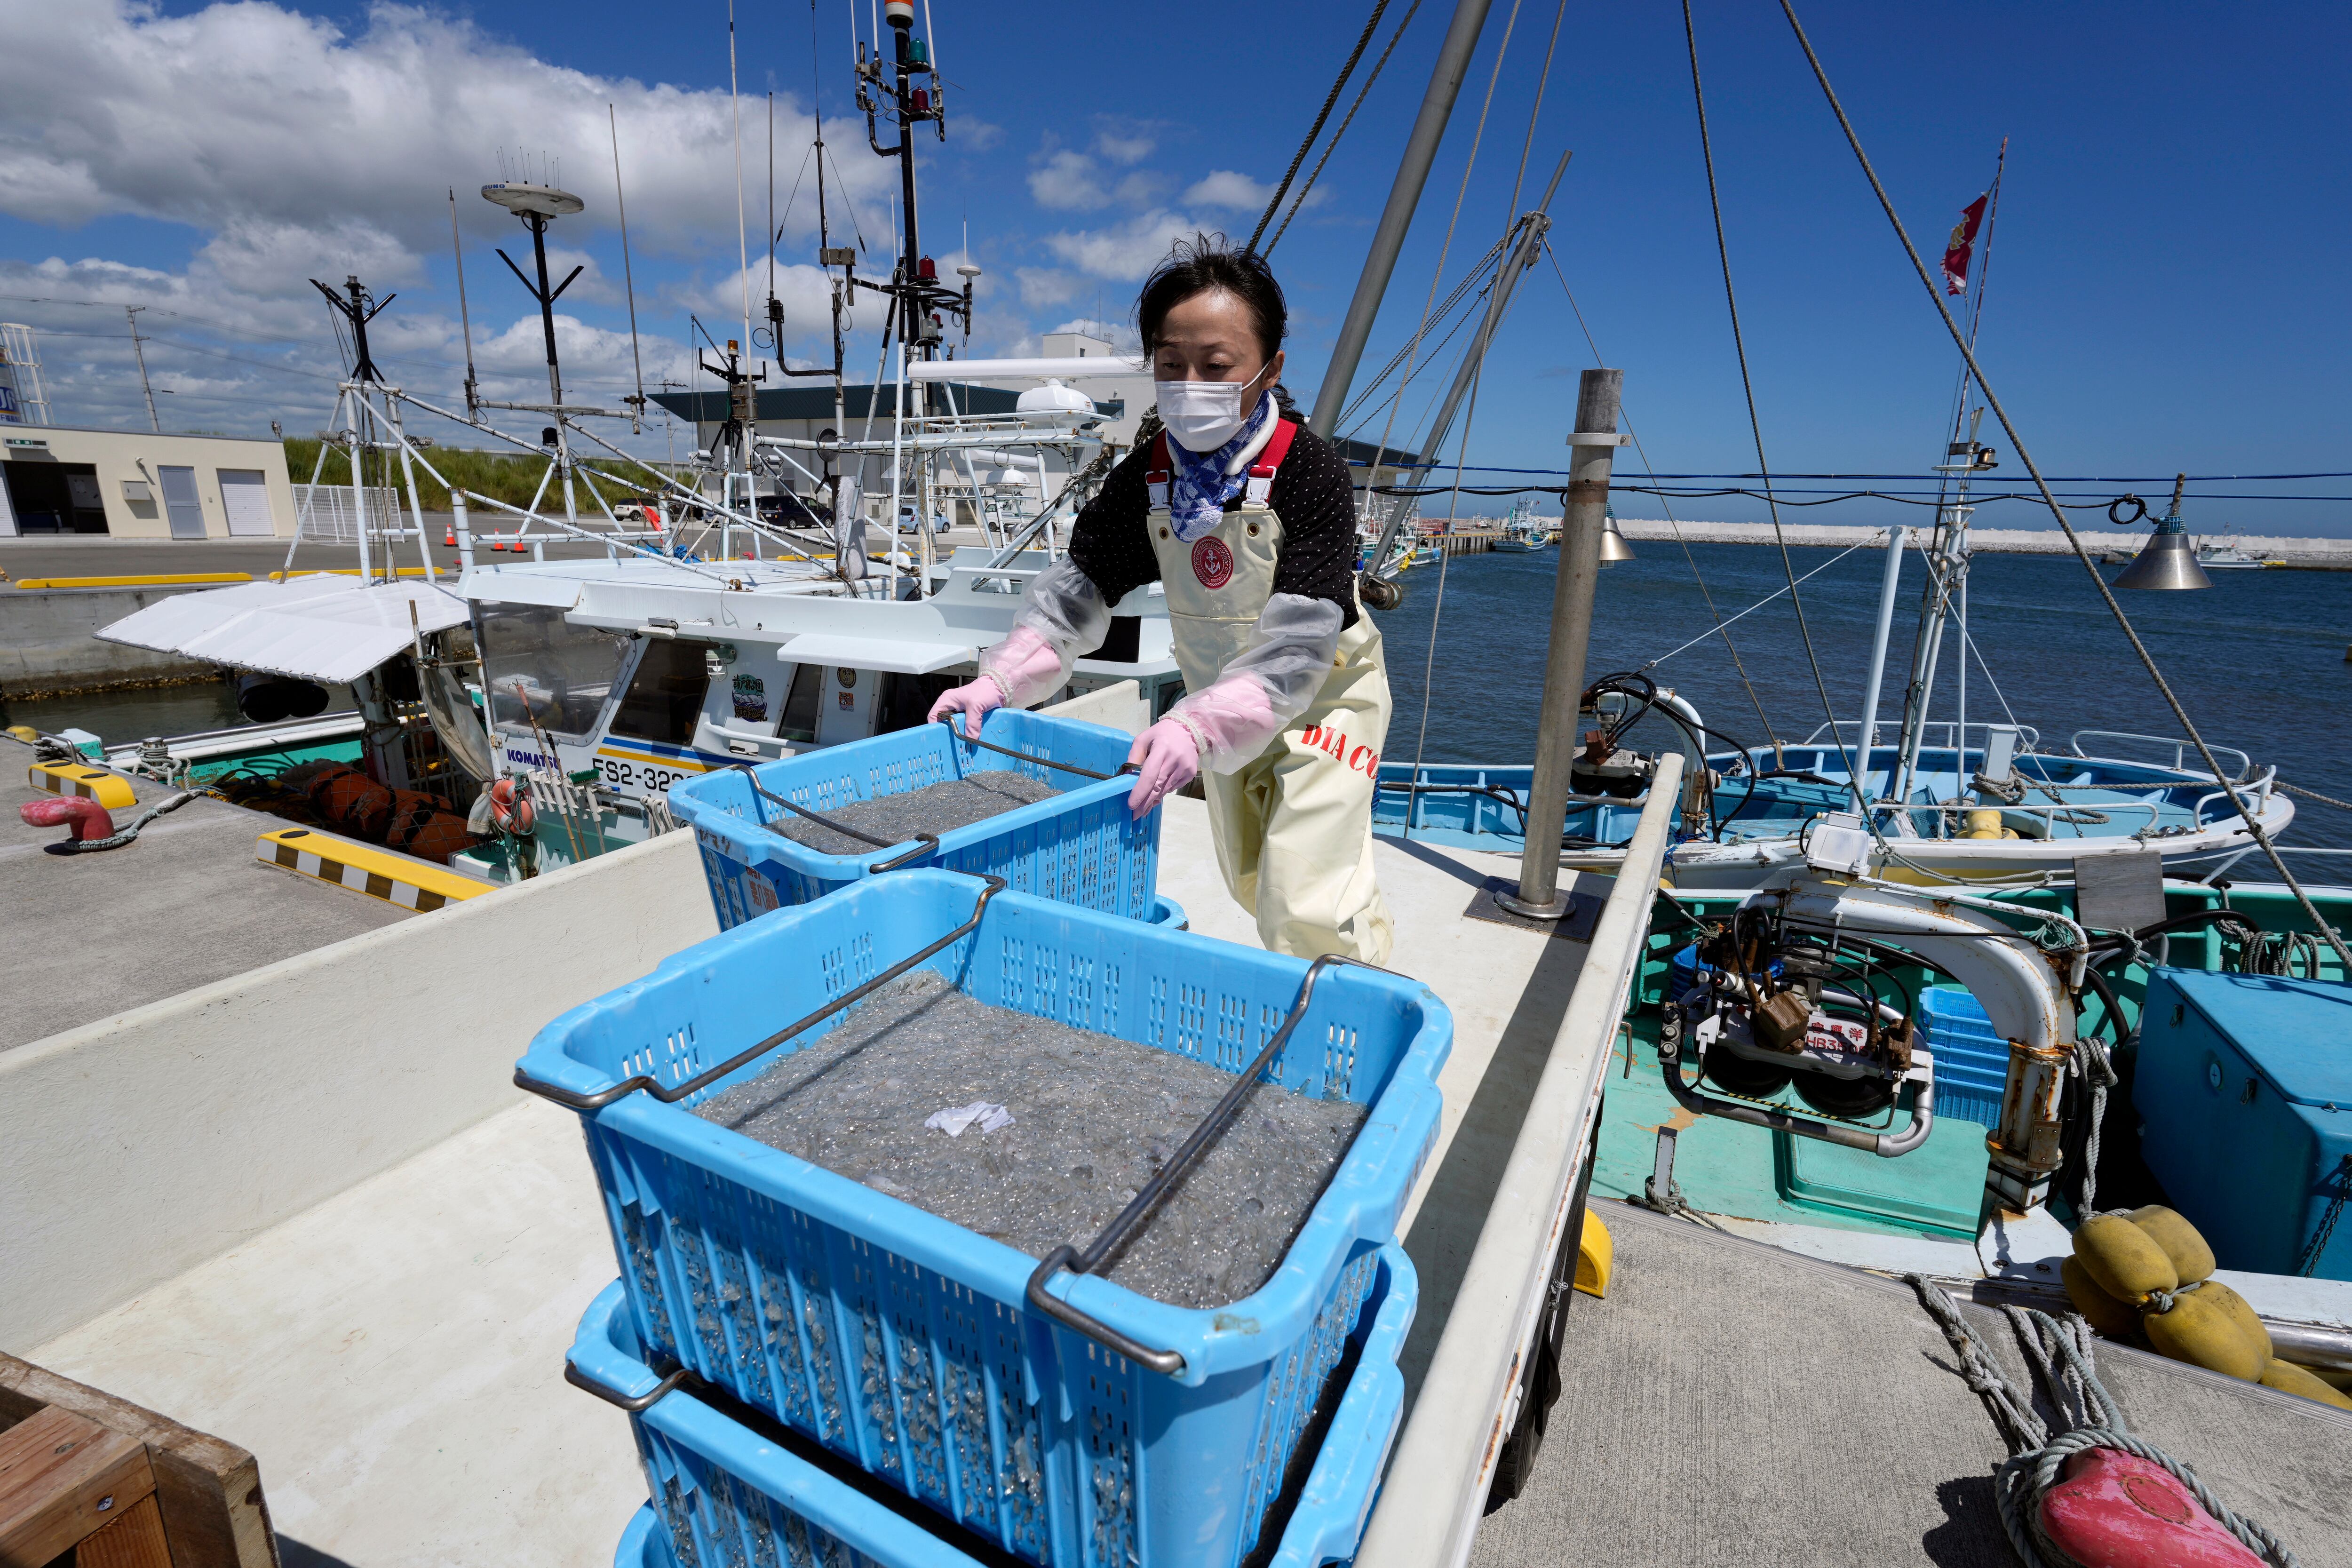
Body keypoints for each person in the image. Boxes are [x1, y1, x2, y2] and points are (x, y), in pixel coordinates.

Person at [930, 236, 1393, 963]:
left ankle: (1347, 1037)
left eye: (1216, 367)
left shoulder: (1311, 471)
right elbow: (1077, 598)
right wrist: (998, 680)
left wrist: (1193, 727)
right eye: (1171, 366)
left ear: (1270, 369)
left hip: (1325, 699)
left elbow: (1301, 646)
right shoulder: (1144, 481)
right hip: (1220, 707)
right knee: (1249, 879)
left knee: (1304, 895)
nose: (1189, 384)